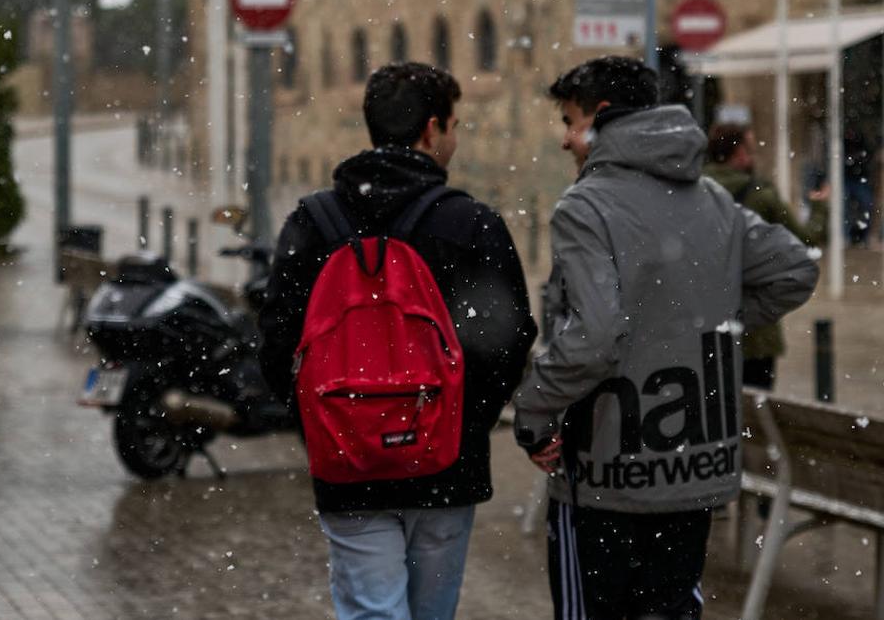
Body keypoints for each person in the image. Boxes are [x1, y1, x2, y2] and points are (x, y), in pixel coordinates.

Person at [512, 56, 819, 619]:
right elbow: (796, 269)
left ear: (602, 117)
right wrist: (709, 321)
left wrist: (533, 412)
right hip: (690, 467)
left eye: (570, 121)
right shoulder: (714, 201)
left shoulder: (587, 206)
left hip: (609, 468)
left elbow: (594, 335)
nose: (564, 140)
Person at [260, 61, 537, 620]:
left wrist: (331, 423)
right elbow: (507, 345)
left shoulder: (312, 223)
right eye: (454, 126)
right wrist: (459, 424)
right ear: (432, 129)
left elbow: (275, 345)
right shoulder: (471, 224)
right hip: (444, 464)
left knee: (371, 612)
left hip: (347, 461)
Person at [704, 122, 827, 389]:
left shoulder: (690, 192)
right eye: (750, 148)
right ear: (739, 153)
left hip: (702, 332)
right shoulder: (760, 195)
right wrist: (819, 208)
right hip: (756, 339)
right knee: (756, 420)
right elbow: (807, 242)